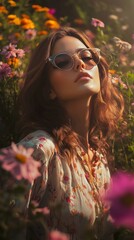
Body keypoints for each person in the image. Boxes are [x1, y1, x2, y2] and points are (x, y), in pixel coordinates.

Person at [17, 27, 124, 240]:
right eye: (63, 61)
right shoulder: (37, 151)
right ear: (48, 88)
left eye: (87, 56)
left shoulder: (99, 157)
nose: (80, 64)